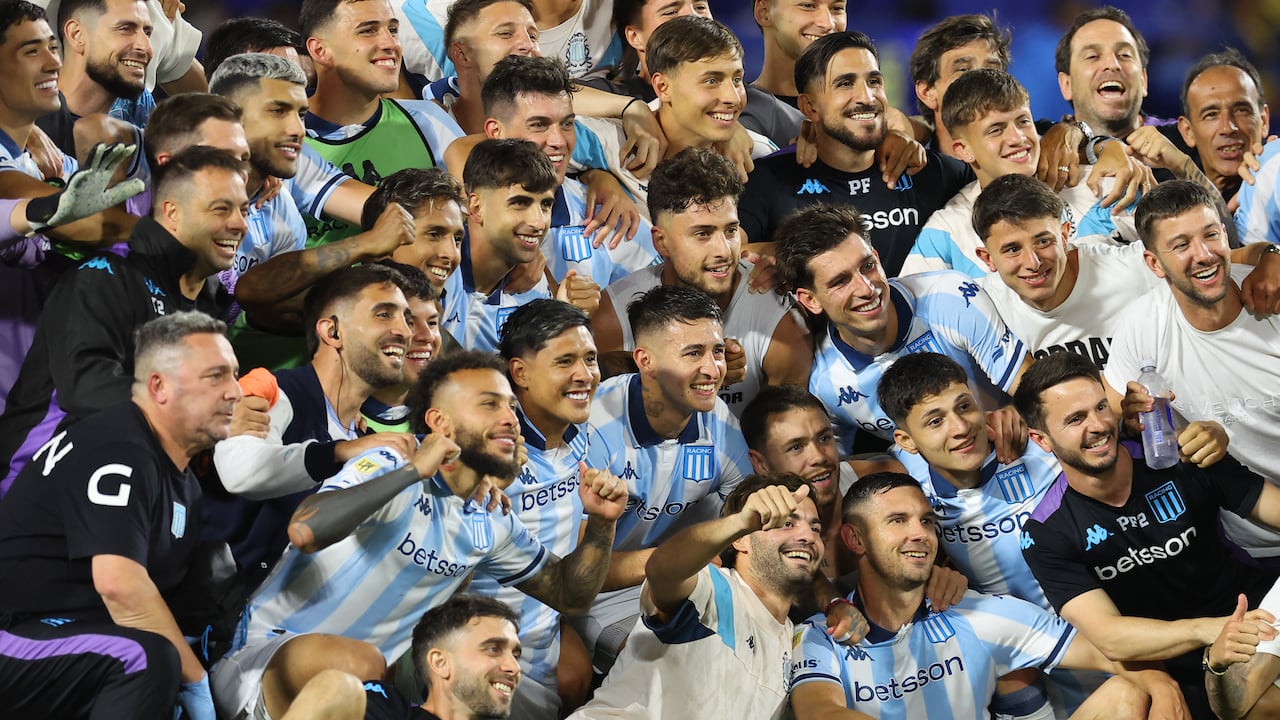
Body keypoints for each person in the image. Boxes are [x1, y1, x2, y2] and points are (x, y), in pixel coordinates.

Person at [209, 349, 627, 720]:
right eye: (489, 404)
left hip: (369, 695)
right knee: (360, 667)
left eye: (511, 407)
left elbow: (569, 595)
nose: (509, 419)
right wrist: (413, 471)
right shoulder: (390, 463)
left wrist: (603, 524)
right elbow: (305, 530)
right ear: (438, 421)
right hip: (264, 666)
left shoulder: (491, 519)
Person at [0, 312, 242, 720]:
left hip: (67, 639)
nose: (235, 391)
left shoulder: (182, 480)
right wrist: (195, 680)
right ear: (158, 386)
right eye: (215, 376)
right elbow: (120, 587)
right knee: (144, 659)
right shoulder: (120, 445)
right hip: (13, 630)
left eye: (235, 375)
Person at [1014, 351, 1280, 717]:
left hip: (1257, 615)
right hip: (1176, 662)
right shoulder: (1046, 532)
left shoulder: (1182, 456)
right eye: (1076, 419)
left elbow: (1273, 508)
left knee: (1262, 705)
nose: (1098, 426)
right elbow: (1109, 634)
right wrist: (1210, 630)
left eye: (1101, 408)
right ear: (1041, 439)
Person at [789, 472, 1168, 720]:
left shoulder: (978, 612)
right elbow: (819, 713)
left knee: (1123, 695)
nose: (920, 533)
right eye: (897, 521)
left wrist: (1163, 685)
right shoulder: (820, 635)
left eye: (926, 521)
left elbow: (1109, 651)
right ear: (855, 539)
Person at [0, 145, 246, 496]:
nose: (239, 224)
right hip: (30, 490)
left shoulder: (202, 312)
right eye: (221, 209)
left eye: (244, 210)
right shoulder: (106, 275)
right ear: (172, 213)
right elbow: (85, 387)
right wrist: (200, 407)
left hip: (116, 499)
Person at [209, 264, 419, 592]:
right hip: (209, 616)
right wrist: (338, 452)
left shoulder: (364, 441)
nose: (405, 332)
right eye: (383, 314)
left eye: (406, 318)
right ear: (332, 332)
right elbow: (240, 472)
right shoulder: (274, 392)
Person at [575, 284, 752, 672]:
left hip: (692, 580)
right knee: (667, 663)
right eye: (693, 353)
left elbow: (745, 523)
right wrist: (675, 560)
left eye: (717, 351)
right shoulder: (594, 428)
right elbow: (579, 570)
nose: (713, 369)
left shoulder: (719, 419)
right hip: (606, 596)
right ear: (645, 360)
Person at [1103, 180, 1280, 560]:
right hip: (1249, 546)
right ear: (1154, 263)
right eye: (1181, 245)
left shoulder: (1272, 294)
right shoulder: (1142, 324)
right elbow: (1113, 410)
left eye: (1211, 235)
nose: (1203, 255)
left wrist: (1273, 253)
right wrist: (1130, 419)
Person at [773, 203, 1031, 459]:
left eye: (867, 266)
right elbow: (835, 469)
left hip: (1020, 450)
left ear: (876, 255)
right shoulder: (825, 383)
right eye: (840, 282)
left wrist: (1016, 412)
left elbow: (1037, 390)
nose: (866, 288)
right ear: (810, 300)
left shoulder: (950, 296)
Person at [570, 472, 823, 720]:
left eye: (815, 527)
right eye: (787, 523)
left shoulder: (792, 641)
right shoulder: (711, 586)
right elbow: (662, 569)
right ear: (741, 539)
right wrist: (739, 522)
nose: (808, 536)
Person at [592, 147, 810, 416]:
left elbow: (786, 439)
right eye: (702, 234)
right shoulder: (612, 317)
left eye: (730, 230)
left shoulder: (780, 321)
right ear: (661, 241)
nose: (723, 250)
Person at [737, 31, 971, 277]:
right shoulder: (770, 181)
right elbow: (723, 252)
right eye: (845, 83)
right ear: (810, 107)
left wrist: (916, 132)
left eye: (874, 82)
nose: (866, 97)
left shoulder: (927, 170)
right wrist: (789, 253)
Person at [467, 299, 599, 718]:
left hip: (546, 637)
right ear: (519, 373)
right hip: (480, 648)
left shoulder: (579, 435)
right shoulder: (484, 450)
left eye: (590, 359)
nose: (584, 375)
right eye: (565, 362)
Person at [900, 68, 1146, 278]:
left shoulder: (1102, 186)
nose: (1018, 138)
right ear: (963, 150)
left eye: (1023, 121)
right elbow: (911, 317)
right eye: (996, 130)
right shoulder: (948, 231)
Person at [478, 54, 658, 284]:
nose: (559, 141)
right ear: (495, 132)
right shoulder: (454, 222)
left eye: (566, 124)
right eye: (539, 125)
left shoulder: (608, 217)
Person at [300, 0, 463, 249]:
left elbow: (480, 213)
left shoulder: (429, 121)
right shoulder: (285, 141)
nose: (390, 44)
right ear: (320, 50)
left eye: (393, 30)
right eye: (368, 30)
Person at [973, 173, 1157, 369]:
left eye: (1043, 241)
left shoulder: (1133, 269)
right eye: (1013, 250)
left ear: (1064, 235)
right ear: (988, 258)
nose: (1033, 263)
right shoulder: (985, 304)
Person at [442, 138, 598, 352]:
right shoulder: (437, 272)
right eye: (519, 203)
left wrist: (564, 316)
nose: (538, 222)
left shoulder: (534, 286)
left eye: (545, 204)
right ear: (476, 208)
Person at [739, 384, 902, 583]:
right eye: (796, 447)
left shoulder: (889, 485)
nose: (818, 457)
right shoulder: (748, 535)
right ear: (761, 463)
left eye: (824, 438)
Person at [363, 595, 524, 720]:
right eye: (494, 649)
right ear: (440, 663)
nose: (515, 667)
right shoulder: (382, 706)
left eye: (515, 655)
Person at [37, 0, 155, 153]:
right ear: (76, 35)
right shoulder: (26, 119)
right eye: (125, 29)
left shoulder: (139, 105)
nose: (146, 47)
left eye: (147, 33)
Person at [908, 13, 1009, 157]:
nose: (982, 80)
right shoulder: (906, 174)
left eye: (992, 71)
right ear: (927, 92)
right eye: (963, 70)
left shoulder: (1036, 159)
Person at [1175, 49, 1269, 203]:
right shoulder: (1160, 182)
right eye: (1211, 114)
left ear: (1264, 121)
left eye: (1241, 110)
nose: (1228, 128)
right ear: (1188, 132)